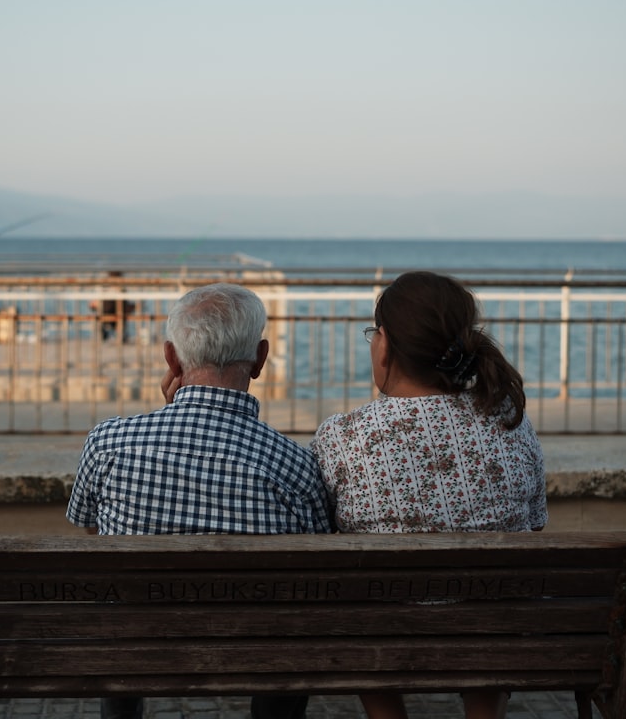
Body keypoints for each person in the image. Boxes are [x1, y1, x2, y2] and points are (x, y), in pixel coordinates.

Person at [66, 282, 333, 719]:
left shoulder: (109, 442)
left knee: (118, 609)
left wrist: (169, 416)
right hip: (257, 656)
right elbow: (319, 563)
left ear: (171, 357)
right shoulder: (295, 465)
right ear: (260, 358)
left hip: (132, 648)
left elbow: (94, 531)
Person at [310, 271, 547, 719]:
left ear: (386, 346)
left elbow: (322, 539)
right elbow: (534, 525)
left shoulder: (341, 437)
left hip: (385, 638)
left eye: (374, 336)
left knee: (353, 601)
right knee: (499, 596)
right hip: (494, 635)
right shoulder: (511, 422)